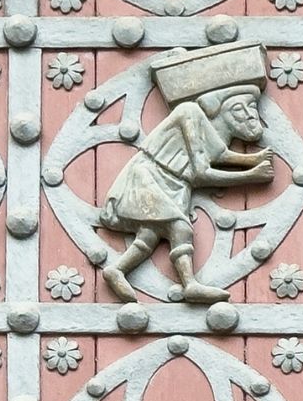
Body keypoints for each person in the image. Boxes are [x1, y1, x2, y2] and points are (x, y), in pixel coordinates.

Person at [100, 85, 273, 303]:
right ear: (215, 107)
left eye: (251, 106)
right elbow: (201, 173)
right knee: (179, 228)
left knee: (150, 234)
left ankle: (116, 269)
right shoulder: (189, 112)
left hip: (174, 182)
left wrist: (252, 159)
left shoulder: (206, 127)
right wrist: (252, 175)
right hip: (151, 175)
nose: (248, 115)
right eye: (238, 109)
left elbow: (219, 154)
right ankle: (190, 285)